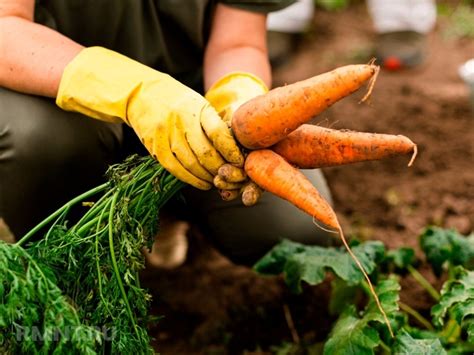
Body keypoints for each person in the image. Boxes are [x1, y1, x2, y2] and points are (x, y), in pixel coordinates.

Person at [0, 0, 335, 266]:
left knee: (294, 230)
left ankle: (165, 210)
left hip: (191, 102)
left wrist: (236, 105)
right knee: (36, 140)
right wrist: (133, 90)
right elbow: (6, 27)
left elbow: (238, 41)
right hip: (55, 98)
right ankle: (63, 261)